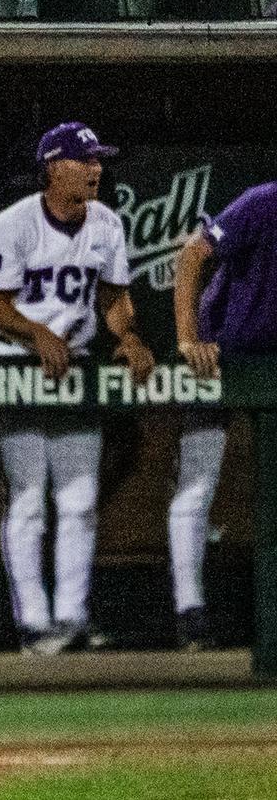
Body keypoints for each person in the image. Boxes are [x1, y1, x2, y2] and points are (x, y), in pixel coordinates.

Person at [0, 122, 154, 655]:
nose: (97, 168)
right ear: (53, 168)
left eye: (99, 160)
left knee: (78, 502)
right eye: (85, 160)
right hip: (13, 362)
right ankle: (33, 623)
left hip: (72, 365)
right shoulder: (10, 224)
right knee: (29, 499)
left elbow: (115, 297)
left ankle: (71, 621)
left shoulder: (106, 223)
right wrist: (37, 332)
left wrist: (128, 336)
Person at [170, 180, 277, 650]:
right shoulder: (266, 201)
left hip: (269, 359)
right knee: (198, 483)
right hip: (220, 352)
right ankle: (189, 612)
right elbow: (193, 253)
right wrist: (189, 337)